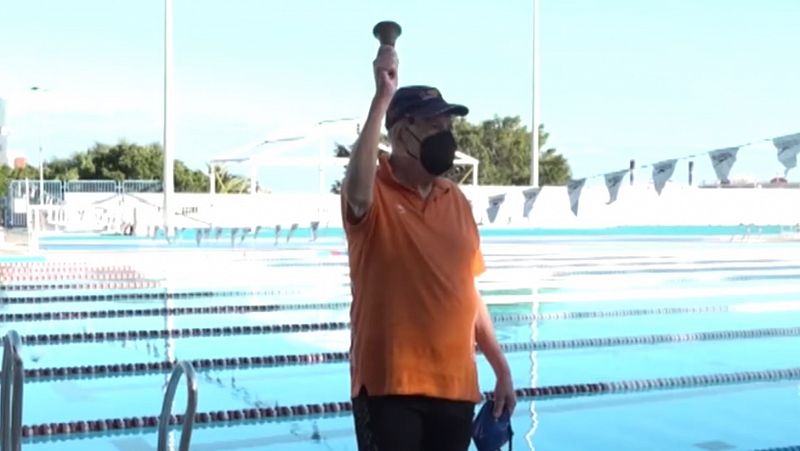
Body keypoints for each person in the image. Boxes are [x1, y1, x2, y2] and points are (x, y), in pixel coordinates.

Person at [340, 41, 516, 451]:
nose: (446, 137)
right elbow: (356, 191)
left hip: (456, 388)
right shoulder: (374, 192)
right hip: (390, 388)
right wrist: (381, 100)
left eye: (448, 127)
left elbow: (467, 292)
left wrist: (501, 368)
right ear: (403, 134)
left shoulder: (455, 199)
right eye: (435, 127)